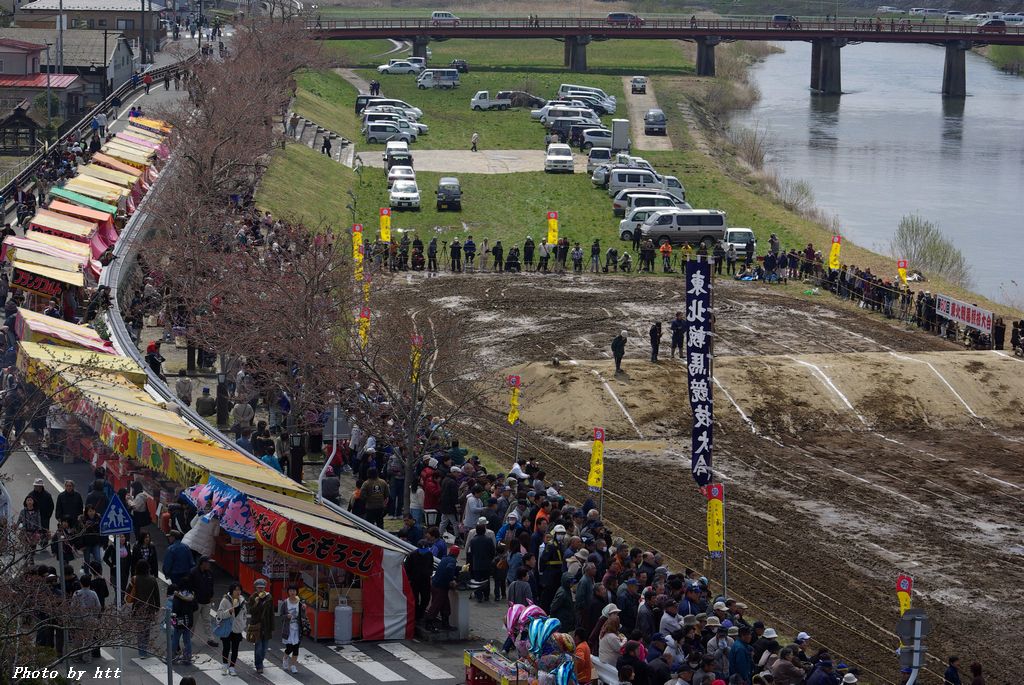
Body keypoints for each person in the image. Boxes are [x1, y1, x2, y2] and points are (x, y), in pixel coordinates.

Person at [424, 545, 460, 631]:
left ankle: (445, 624)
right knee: (436, 606)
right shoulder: (452, 561)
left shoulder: (444, 559)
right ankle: (429, 624)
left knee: (445, 606)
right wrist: (451, 580)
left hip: (435, 584)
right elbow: (449, 569)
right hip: (441, 587)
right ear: (457, 554)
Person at [130, 559, 161, 656]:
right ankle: (145, 648)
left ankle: (141, 651)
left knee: (140, 630)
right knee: (147, 630)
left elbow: (128, 591)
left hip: (138, 608)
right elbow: (157, 595)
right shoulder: (152, 579)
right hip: (149, 609)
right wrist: (157, 608)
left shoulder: (134, 579)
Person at [216, 583, 248, 676]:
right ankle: (225, 666)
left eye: (239, 590)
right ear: (231, 590)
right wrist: (229, 611)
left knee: (235, 649)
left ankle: (232, 667)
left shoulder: (242, 601)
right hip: (227, 628)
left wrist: (243, 624)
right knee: (226, 647)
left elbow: (245, 614)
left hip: (237, 628)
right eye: (236, 590)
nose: (238, 592)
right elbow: (219, 614)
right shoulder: (225, 600)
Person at [247, 578, 275, 674]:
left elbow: (271, 613)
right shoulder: (252, 597)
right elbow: (251, 611)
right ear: (256, 588)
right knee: (258, 647)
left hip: (266, 625)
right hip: (257, 626)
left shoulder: (269, 597)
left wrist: (272, 626)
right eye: (258, 588)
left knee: (265, 648)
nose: (260, 590)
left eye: (262, 588)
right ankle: (259, 665)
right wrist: (256, 603)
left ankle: (261, 661)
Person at [190, 556, 217, 647]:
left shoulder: (210, 573)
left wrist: (211, 596)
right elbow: (189, 587)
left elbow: (211, 586)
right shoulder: (193, 572)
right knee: (193, 621)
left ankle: (210, 639)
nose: (209, 565)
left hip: (207, 601)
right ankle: (188, 637)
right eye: (208, 563)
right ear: (203, 563)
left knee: (207, 621)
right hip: (196, 602)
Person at [279, 585, 304, 674]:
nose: (292, 592)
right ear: (288, 592)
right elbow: (281, 616)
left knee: (296, 648)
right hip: (288, 629)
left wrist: (304, 609)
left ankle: (293, 665)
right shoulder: (285, 603)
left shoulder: (300, 603)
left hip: (297, 629)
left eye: (294, 590)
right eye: (290, 591)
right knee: (289, 648)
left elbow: (303, 616)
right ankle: (285, 658)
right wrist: (287, 616)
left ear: (296, 592)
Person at [170, 584, 196, 664]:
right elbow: (196, 607)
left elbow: (175, 609)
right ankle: (187, 658)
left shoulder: (177, 596)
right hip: (188, 621)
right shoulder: (191, 595)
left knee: (175, 639)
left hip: (180, 621)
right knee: (187, 640)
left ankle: (172, 656)